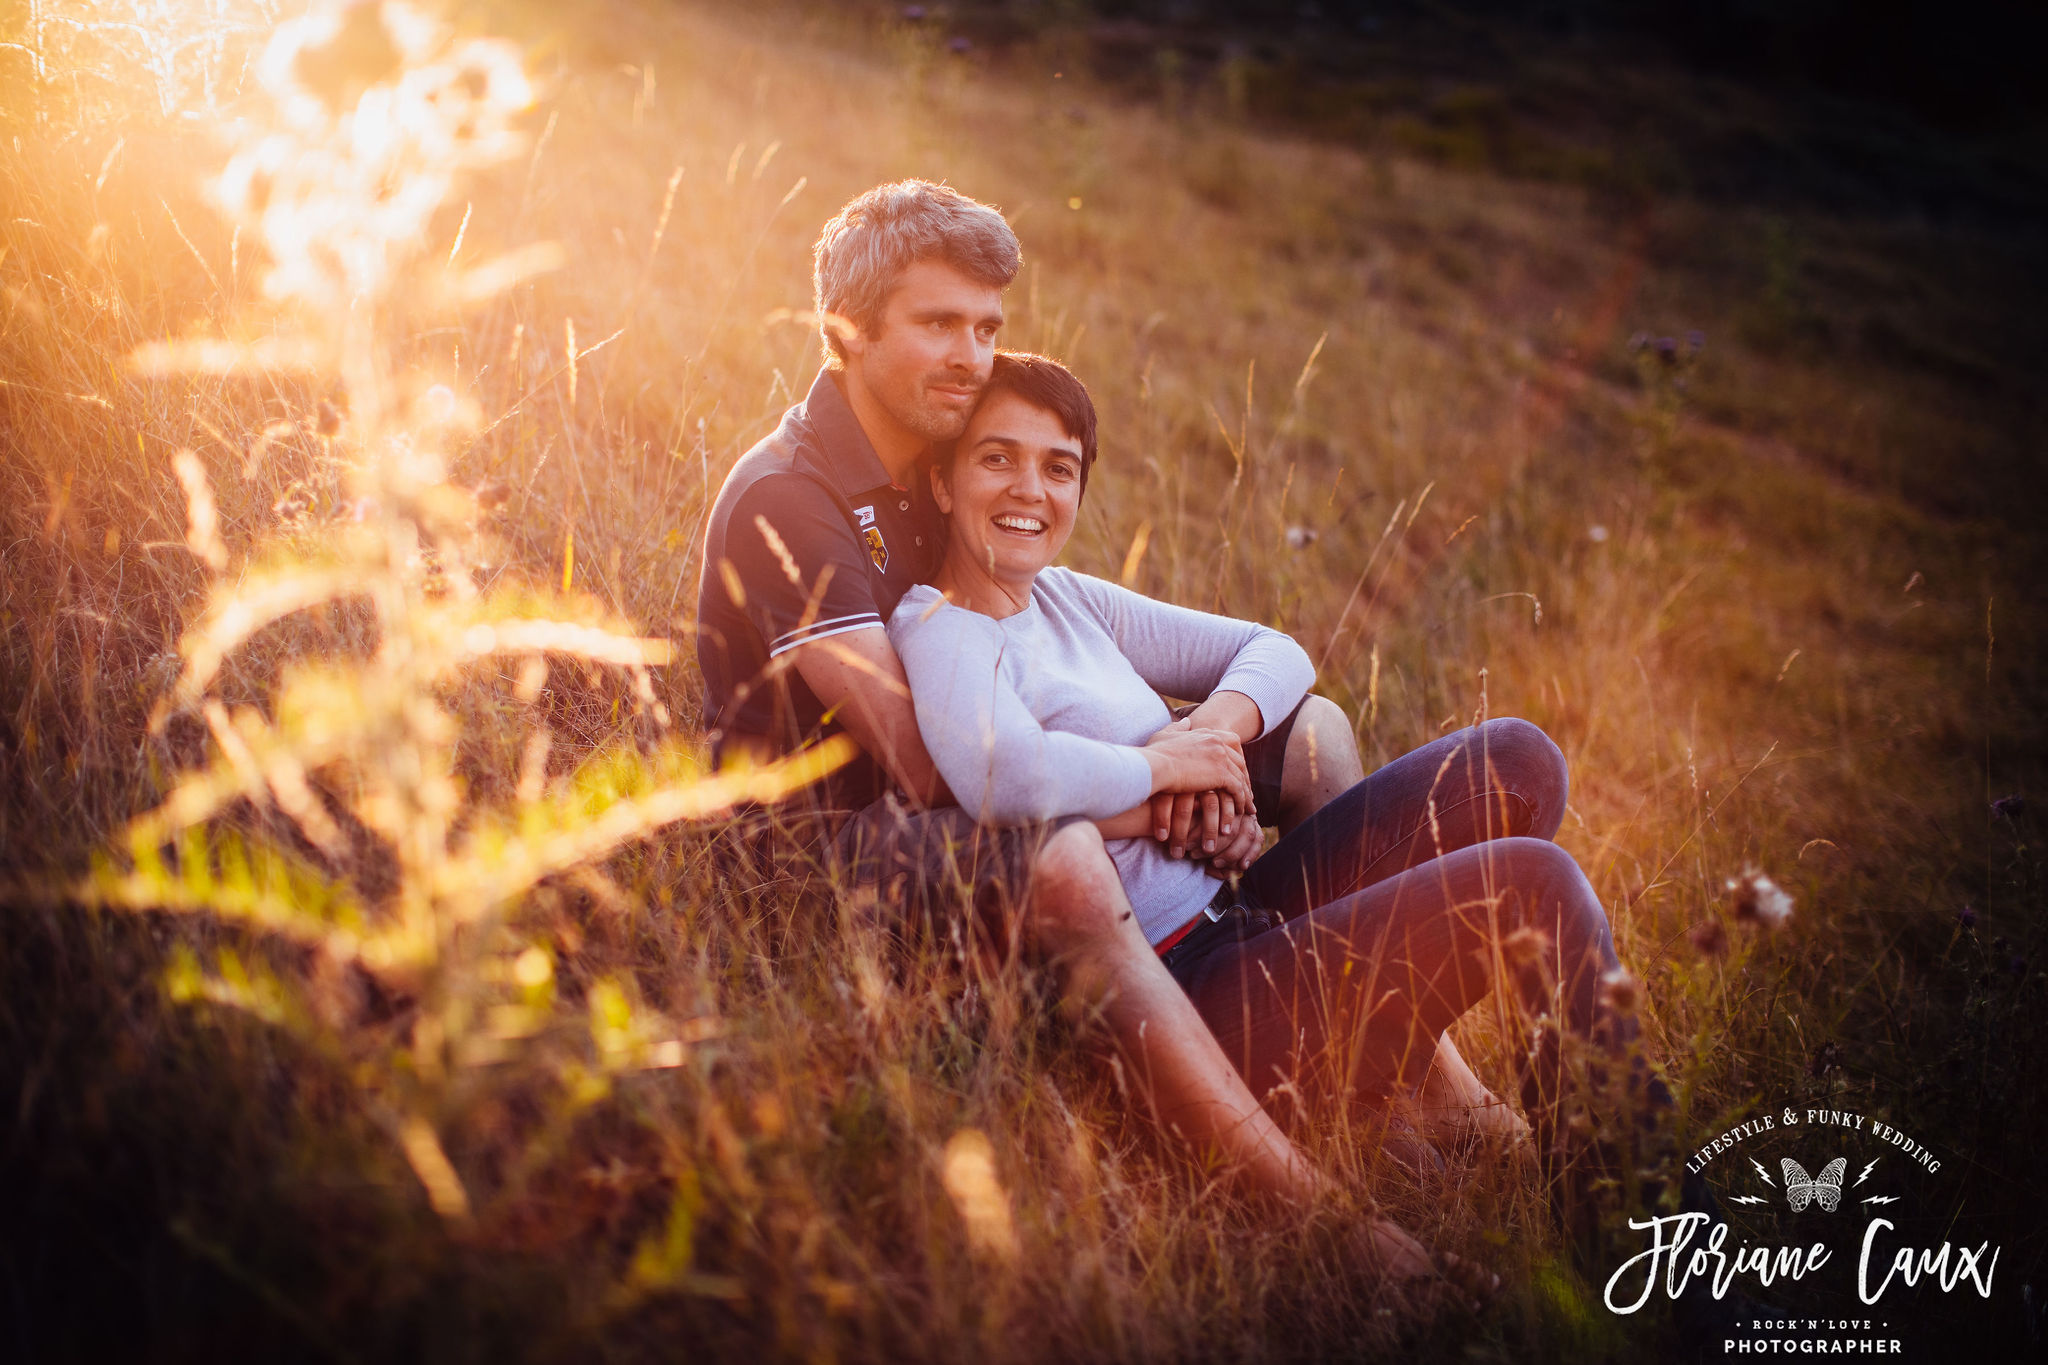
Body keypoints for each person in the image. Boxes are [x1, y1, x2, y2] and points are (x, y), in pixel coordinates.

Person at [695, 183, 1439, 1271]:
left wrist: (1215, 760)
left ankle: (1379, 1077)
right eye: (937, 323)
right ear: (844, 331)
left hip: (983, 778)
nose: (971, 353)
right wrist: (1168, 794)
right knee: (1069, 862)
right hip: (825, 844)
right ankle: (1317, 1221)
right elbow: (918, 765)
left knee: (1315, 732)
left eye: (988, 325)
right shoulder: (789, 496)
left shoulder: (934, 457)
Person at [884, 351, 1652, 1236]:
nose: (1031, 488)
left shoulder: (1063, 598)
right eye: (997, 457)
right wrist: (1169, 772)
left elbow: (1276, 651)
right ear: (942, 483)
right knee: (1534, 886)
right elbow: (1002, 773)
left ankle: (1413, 1095)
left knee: (1517, 760)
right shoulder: (942, 626)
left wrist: (1211, 735)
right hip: (1196, 997)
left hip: (1250, 920)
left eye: (1059, 467)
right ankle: (1639, 1213)